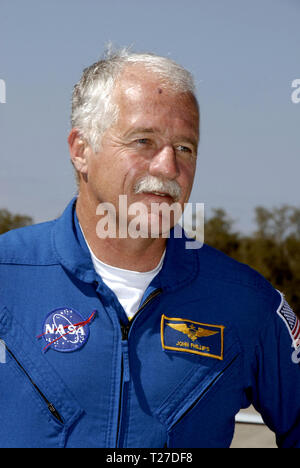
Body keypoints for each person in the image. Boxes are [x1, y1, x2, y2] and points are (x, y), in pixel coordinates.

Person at [0, 47, 299, 449]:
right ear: (81, 150)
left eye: (185, 148)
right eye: (144, 141)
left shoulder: (248, 304)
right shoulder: (8, 275)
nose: (168, 168)